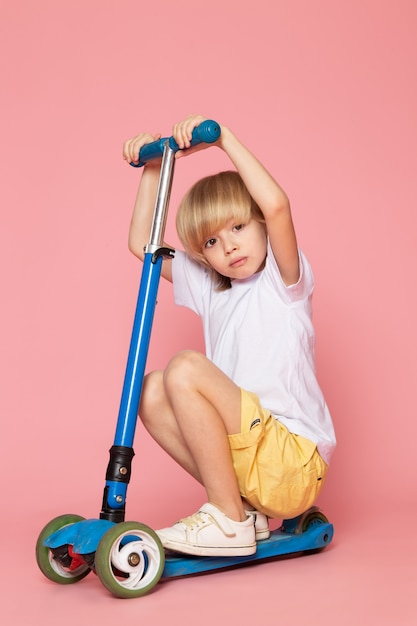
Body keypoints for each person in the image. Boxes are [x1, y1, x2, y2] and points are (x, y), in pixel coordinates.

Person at [122, 114, 336, 557]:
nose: (230, 247)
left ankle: (226, 520)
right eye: (212, 243)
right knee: (150, 391)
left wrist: (223, 140)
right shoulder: (211, 286)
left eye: (238, 227)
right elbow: (144, 244)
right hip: (250, 458)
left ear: (259, 223)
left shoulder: (284, 281)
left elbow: (278, 205)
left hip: (292, 462)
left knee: (183, 367)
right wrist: (154, 168)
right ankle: (238, 510)